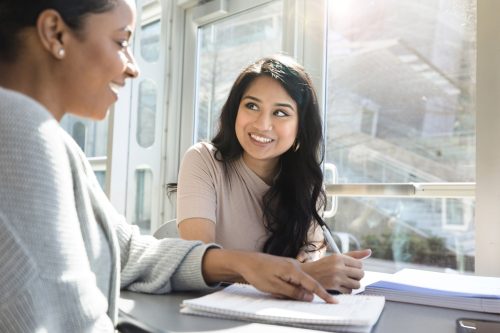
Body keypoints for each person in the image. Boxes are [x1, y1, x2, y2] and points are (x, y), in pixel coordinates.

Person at [0, 1, 336, 332]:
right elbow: (64, 320)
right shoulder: (17, 130)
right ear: (55, 33)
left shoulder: (48, 139)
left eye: (281, 113)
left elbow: (128, 252)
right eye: (120, 42)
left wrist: (244, 264)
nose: (133, 67)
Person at [176, 55, 371, 290]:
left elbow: (310, 258)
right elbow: (197, 260)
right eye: (252, 106)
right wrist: (300, 274)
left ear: (301, 127)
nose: (262, 124)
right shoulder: (203, 159)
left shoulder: (308, 185)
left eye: (280, 113)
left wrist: (319, 269)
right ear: (234, 111)